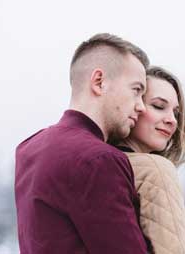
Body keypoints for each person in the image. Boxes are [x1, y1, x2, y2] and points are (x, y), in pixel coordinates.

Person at [15, 33, 151, 254]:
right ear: (99, 82)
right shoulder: (99, 160)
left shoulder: (28, 148)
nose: (141, 107)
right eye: (136, 90)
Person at [117, 66, 185, 254]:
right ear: (134, 106)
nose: (172, 121)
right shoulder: (157, 169)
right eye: (159, 106)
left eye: (176, 113)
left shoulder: (99, 162)